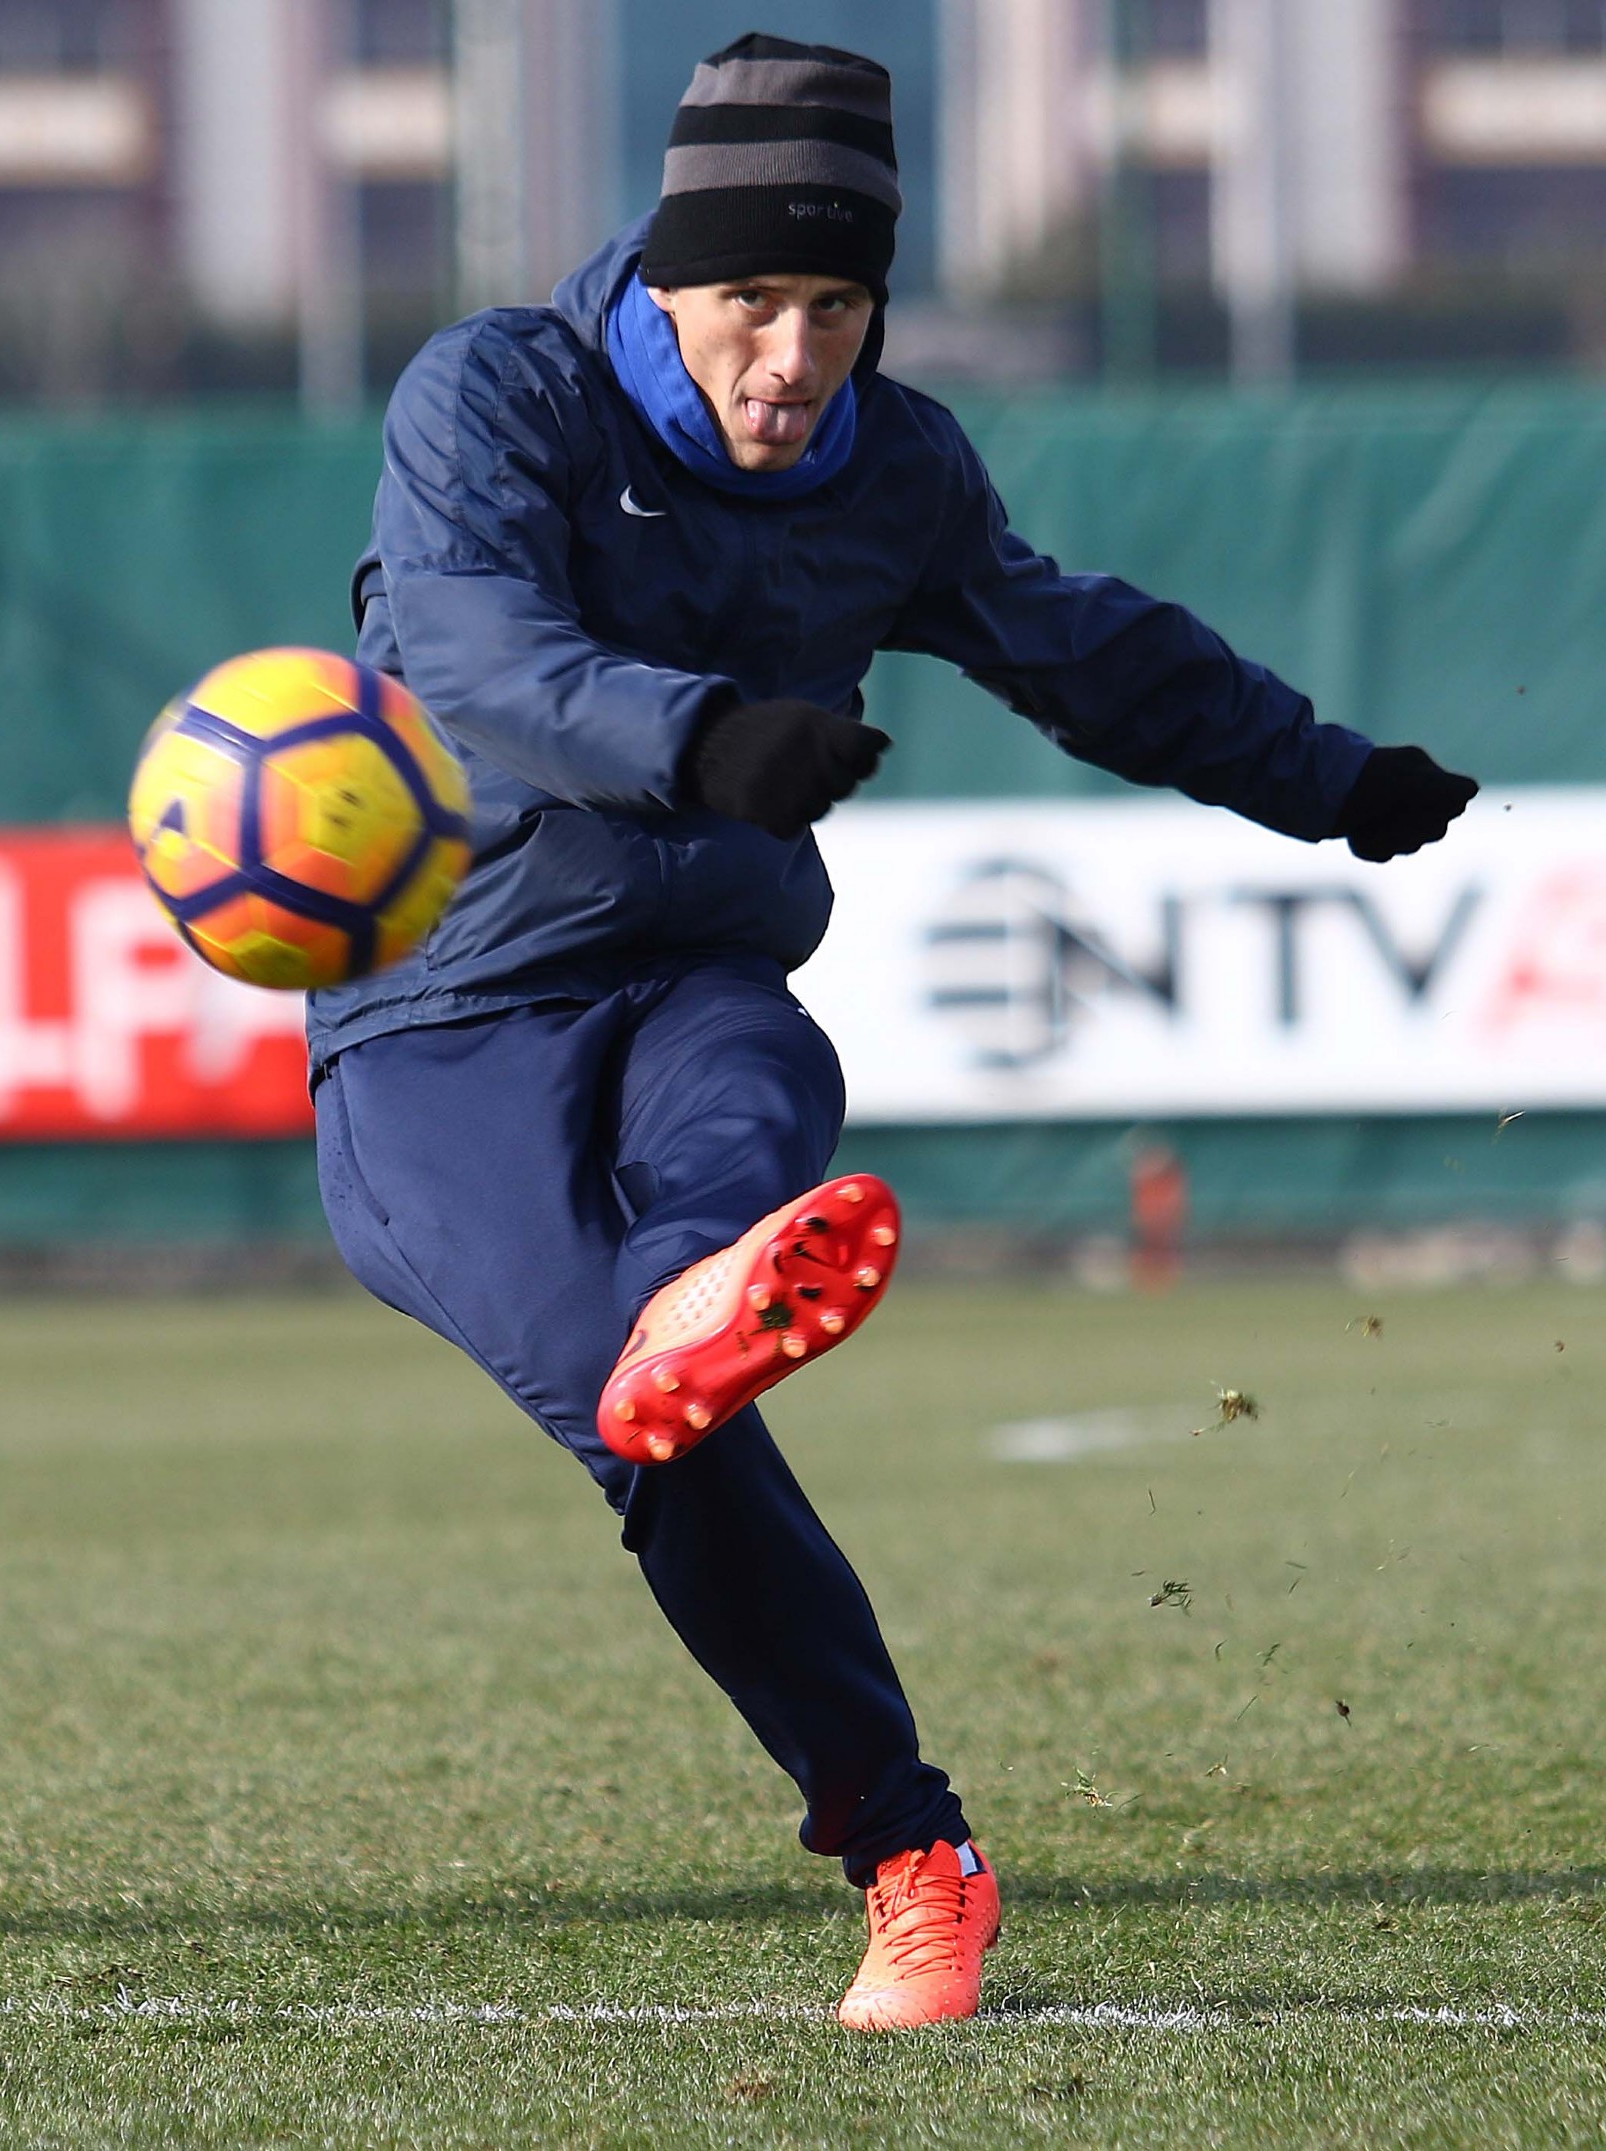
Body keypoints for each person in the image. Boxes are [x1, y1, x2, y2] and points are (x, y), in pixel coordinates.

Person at [309, 33, 1477, 2031]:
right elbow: (475, 648)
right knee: (644, 1422)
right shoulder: (499, 391)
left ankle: (718, 1320)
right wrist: (702, 734)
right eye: (753, 300)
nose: (792, 357)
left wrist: (1333, 780)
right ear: (668, 275)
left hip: (702, 976)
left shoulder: (895, 467)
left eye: (837, 307)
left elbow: (1087, 649)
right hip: (441, 1021)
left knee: (751, 1108)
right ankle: (901, 1821)